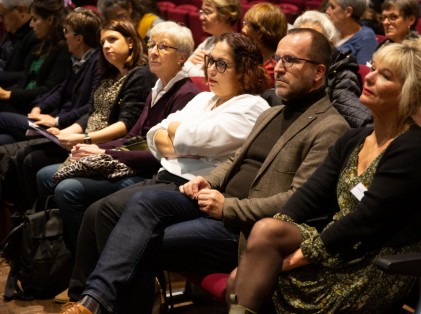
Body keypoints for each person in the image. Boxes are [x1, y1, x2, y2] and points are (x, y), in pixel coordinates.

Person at [59, 29, 350, 314]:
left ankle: (97, 303)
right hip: (212, 200)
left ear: (318, 72)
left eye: (291, 60)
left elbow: (298, 200)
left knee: (140, 238)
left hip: (247, 229)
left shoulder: (329, 126)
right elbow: (236, 159)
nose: (279, 68)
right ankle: (92, 302)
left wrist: (230, 207)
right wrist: (206, 180)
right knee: (140, 205)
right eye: (278, 58)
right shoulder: (273, 113)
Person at [227, 39, 421, 313]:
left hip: (373, 262)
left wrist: (295, 258)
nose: (371, 77)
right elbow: (310, 195)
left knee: (246, 279)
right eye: (374, 68)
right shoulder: (355, 138)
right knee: (264, 237)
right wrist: (268, 244)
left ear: (408, 93)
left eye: (385, 75)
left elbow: (366, 220)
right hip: (339, 245)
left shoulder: (412, 147)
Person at [36, 21, 201, 255]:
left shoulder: (187, 95)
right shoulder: (158, 87)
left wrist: (102, 151)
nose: (153, 51)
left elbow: (159, 154)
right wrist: (88, 147)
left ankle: (91, 258)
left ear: (182, 57)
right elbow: (134, 135)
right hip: (130, 162)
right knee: (46, 176)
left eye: (163, 47)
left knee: (68, 189)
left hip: (151, 173)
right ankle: (65, 255)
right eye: (152, 44)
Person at [0, 18, 155, 215]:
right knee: (26, 155)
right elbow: (92, 112)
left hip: (107, 146)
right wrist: (65, 132)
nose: (106, 46)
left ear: (131, 42)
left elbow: (126, 124)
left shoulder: (140, 75)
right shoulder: (109, 73)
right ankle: (36, 224)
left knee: (33, 161)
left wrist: (84, 139)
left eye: (113, 39)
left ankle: (49, 228)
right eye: (103, 42)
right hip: (86, 140)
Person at [0, 7, 102, 145]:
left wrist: (57, 121)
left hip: (65, 128)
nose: (64, 35)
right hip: (53, 119)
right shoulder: (79, 60)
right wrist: (39, 107)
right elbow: (60, 89)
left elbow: (91, 106)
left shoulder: (97, 63)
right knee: (4, 141)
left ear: (79, 39)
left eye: (66, 31)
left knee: (2, 117)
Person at [293, 10, 372, 127]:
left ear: (329, 44)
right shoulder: (287, 65)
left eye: (313, 41)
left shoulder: (341, 72)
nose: (305, 46)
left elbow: (357, 115)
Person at [0, 0, 72, 114]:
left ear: (50, 20)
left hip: (38, 109)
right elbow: (24, 81)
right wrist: (6, 93)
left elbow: (50, 89)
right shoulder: (41, 46)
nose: (31, 25)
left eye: (35, 19)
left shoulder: (64, 49)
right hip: (22, 104)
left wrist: (8, 94)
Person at [182, 0, 241, 77]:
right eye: (201, 12)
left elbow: (209, 79)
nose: (201, 17)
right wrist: (189, 63)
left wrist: (186, 64)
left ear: (226, 15)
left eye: (207, 12)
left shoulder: (234, 47)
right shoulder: (208, 41)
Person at [241, 2, 287, 87]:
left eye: (247, 24)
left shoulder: (271, 71)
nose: (243, 30)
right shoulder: (253, 60)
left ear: (260, 33)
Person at [0, 0, 39, 88]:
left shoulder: (36, 36)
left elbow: (29, 75)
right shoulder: (13, 27)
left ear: (21, 10)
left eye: (3, 15)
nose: (1, 20)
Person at [326, 0, 378, 64]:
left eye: (332, 7)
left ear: (348, 11)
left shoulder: (366, 37)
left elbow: (363, 71)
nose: (327, 11)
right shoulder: (330, 31)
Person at [96, 0, 163, 41]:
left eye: (121, 16)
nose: (118, 22)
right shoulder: (110, 32)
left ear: (129, 8)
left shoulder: (151, 23)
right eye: (112, 19)